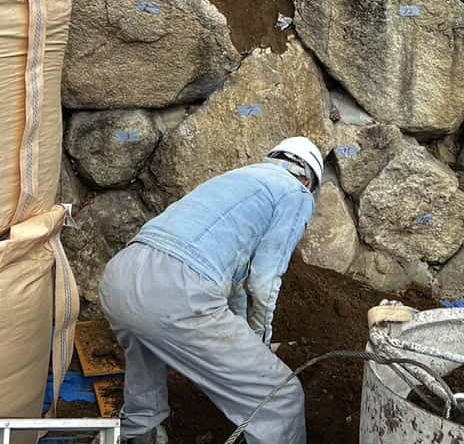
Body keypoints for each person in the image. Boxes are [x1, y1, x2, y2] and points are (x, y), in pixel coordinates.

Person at [99, 137, 324, 444]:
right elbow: (263, 283)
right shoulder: (296, 192)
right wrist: (261, 343)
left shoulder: (238, 179)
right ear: (309, 180)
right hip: (177, 289)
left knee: (145, 373)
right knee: (281, 399)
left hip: (121, 275)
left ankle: (135, 436)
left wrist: (245, 338)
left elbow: (235, 290)